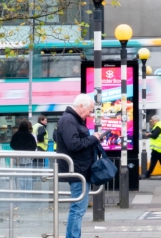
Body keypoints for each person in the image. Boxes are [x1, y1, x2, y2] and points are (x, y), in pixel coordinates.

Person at [54, 94, 105, 238]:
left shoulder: (74, 120)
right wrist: (92, 138)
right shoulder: (69, 120)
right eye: (89, 110)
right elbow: (74, 145)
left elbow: (78, 141)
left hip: (81, 169)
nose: (90, 114)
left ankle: (74, 235)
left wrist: (94, 138)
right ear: (81, 106)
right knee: (77, 209)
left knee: (79, 209)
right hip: (77, 170)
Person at [11, 119, 38, 191]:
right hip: (28, 158)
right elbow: (34, 147)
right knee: (28, 176)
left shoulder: (16, 135)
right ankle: (28, 190)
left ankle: (21, 190)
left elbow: (12, 145)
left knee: (19, 176)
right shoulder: (30, 136)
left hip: (18, 159)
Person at [144, 115, 161, 180]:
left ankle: (147, 174)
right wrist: (150, 134)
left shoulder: (158, 126)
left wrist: (149, 135)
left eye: (152, 121)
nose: (152, 122)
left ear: (156, 120)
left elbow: (155, 136)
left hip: (157, 147)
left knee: (153, 162)